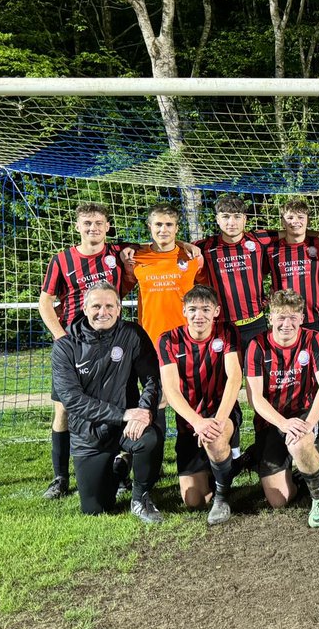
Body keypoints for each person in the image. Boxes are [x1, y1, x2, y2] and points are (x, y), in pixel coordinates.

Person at [38, 202, 136, 499]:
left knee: (124, 401)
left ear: (108, 226)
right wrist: (62, 339)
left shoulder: (119, 255)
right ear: (78, 227)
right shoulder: (62, 259)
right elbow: (45, 302)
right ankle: (60, 477)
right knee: (64, 408)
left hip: (114, 343)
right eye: (87, 223)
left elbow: (158, 243)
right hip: (75, 345)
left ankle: (121, 471)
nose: (93, 228)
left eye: (98, 223)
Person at [50, 282, 164, 523]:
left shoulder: (132, 334)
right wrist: (123, 414)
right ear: (84, 307)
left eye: (110, 305)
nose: (103, 312)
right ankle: (118, 468)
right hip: (89, 432)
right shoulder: (65, 345)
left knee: (149, 438)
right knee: (95, 508)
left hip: (126, 426)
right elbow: (73, 400)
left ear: (119, 308)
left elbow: (152, 379)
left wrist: (144, 411)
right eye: (97, 306)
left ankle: (140, 498)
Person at [244, 290, 319, 528]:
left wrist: (309, 423)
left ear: (302, 318)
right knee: (278, 500)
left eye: (293, 316)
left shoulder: (312, 339)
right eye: (281, 317)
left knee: (300, 441)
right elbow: (255, 398)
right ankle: (310, 469)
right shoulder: (256, 345)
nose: (287, 323)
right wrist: (283, 424)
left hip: (303, 413)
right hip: (272, 421)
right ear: (270, 318)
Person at [157, 285, 244, 526]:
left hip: (222, 414)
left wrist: (216, 422)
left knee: (214, 439)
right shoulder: (168, 340)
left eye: (206, 309)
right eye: (193, 309)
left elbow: (235, 377)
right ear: (184, 310)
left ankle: (223, 497)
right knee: (193, 500)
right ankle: (233, 464)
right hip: (190, 422)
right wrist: (197, 422)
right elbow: (171, 390)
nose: (199, 316)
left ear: (216, 311)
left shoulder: (227, 332)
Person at [196, 195, 271, 350]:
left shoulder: (258, 239)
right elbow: (168, 246)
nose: (231, 222)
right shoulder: (205, 247)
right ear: (217, 219)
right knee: (223, 374)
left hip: (255, 323)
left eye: (237, 217)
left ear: (245, 219)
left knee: (258, 374)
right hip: (221, 325)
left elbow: (293, 232)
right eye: (226, 217)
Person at [128, 202, 203, 350]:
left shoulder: (193, 257)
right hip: (150, 337)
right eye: (158, 224)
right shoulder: (135, 257)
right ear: (150, 227)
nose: (163, 230)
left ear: (176, 228)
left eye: (169, 224)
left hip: (186, 337)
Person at [267, 197, 319, 338]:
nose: (295, 221)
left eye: (301, 217)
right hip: (283, 320)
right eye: (290, 217)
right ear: (282, 221)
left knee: (316, 359)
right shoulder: (271, 249)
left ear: (308, 220)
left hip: (313, 317)